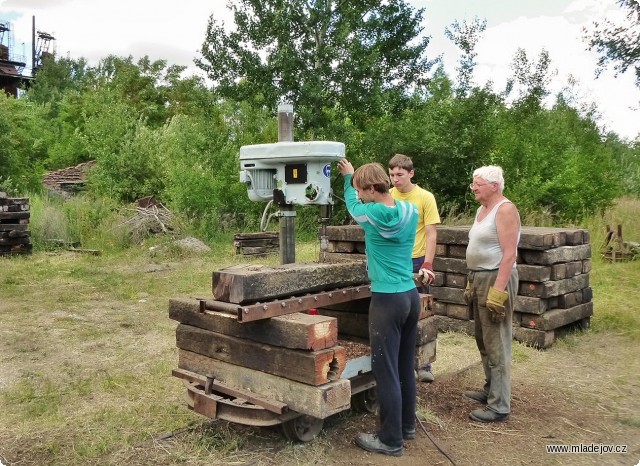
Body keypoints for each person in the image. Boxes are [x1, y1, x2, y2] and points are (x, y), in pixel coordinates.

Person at [337, 159, 420, 457]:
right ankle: (406, 426)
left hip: (387, 300)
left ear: (373, 188)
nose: (359, 195)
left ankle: (390, 440)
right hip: (411, 296)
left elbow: (351, 207)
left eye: (362, 189)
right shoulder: (410, 211)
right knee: (404, 366)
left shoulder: (371, 214)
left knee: (384, 372)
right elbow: (385, 205)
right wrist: (354, 179)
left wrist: (348, 179)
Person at [464, 165, 520, 423]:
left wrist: (498, 291)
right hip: (479, 277)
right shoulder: (481, 210)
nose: (473, 187)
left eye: (478, 184)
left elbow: (510, 255)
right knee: (483, 339)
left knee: (497, 341)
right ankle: (491, 390)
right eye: (473, 183)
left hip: (496, 277)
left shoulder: (505, 210)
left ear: (494, 186)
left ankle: (499, 405)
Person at [388, 154, 441, 383]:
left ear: (411, 173)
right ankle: (402, 363)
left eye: (400, 174)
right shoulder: (388, 196)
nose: (395, 179)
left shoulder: (425, 197)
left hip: (417, 260)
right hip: (394, 261)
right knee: (394, 313)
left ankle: (424, 364)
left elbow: (431, 233)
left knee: (419, 313)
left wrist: (428, 264)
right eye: (391, 175)